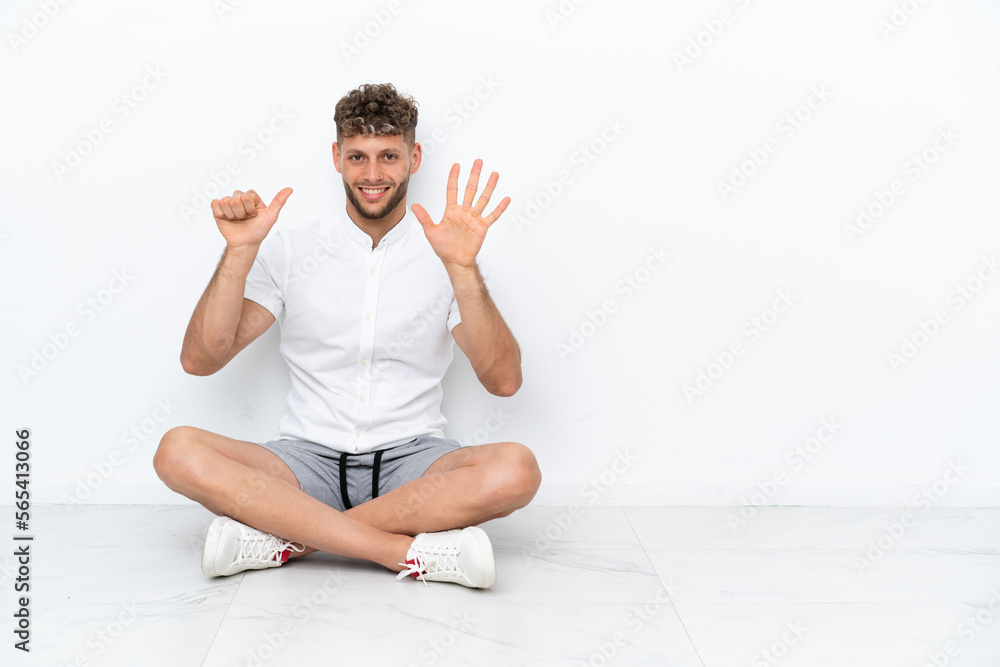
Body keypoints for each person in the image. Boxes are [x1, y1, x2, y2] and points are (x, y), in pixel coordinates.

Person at [153, 83, 541, 589]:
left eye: (388, 156)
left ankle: (286, 541)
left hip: (413, 462)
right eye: (358, 156)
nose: (373, 174)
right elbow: (200, 360)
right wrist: (240, 251)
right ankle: (401, 552)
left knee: (516, 469)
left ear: (414, 157)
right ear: (336, 157)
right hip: (302, 464)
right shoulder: (291, 249)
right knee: (176, 450)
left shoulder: (448, 257)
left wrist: (463, 268)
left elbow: (504, 380)